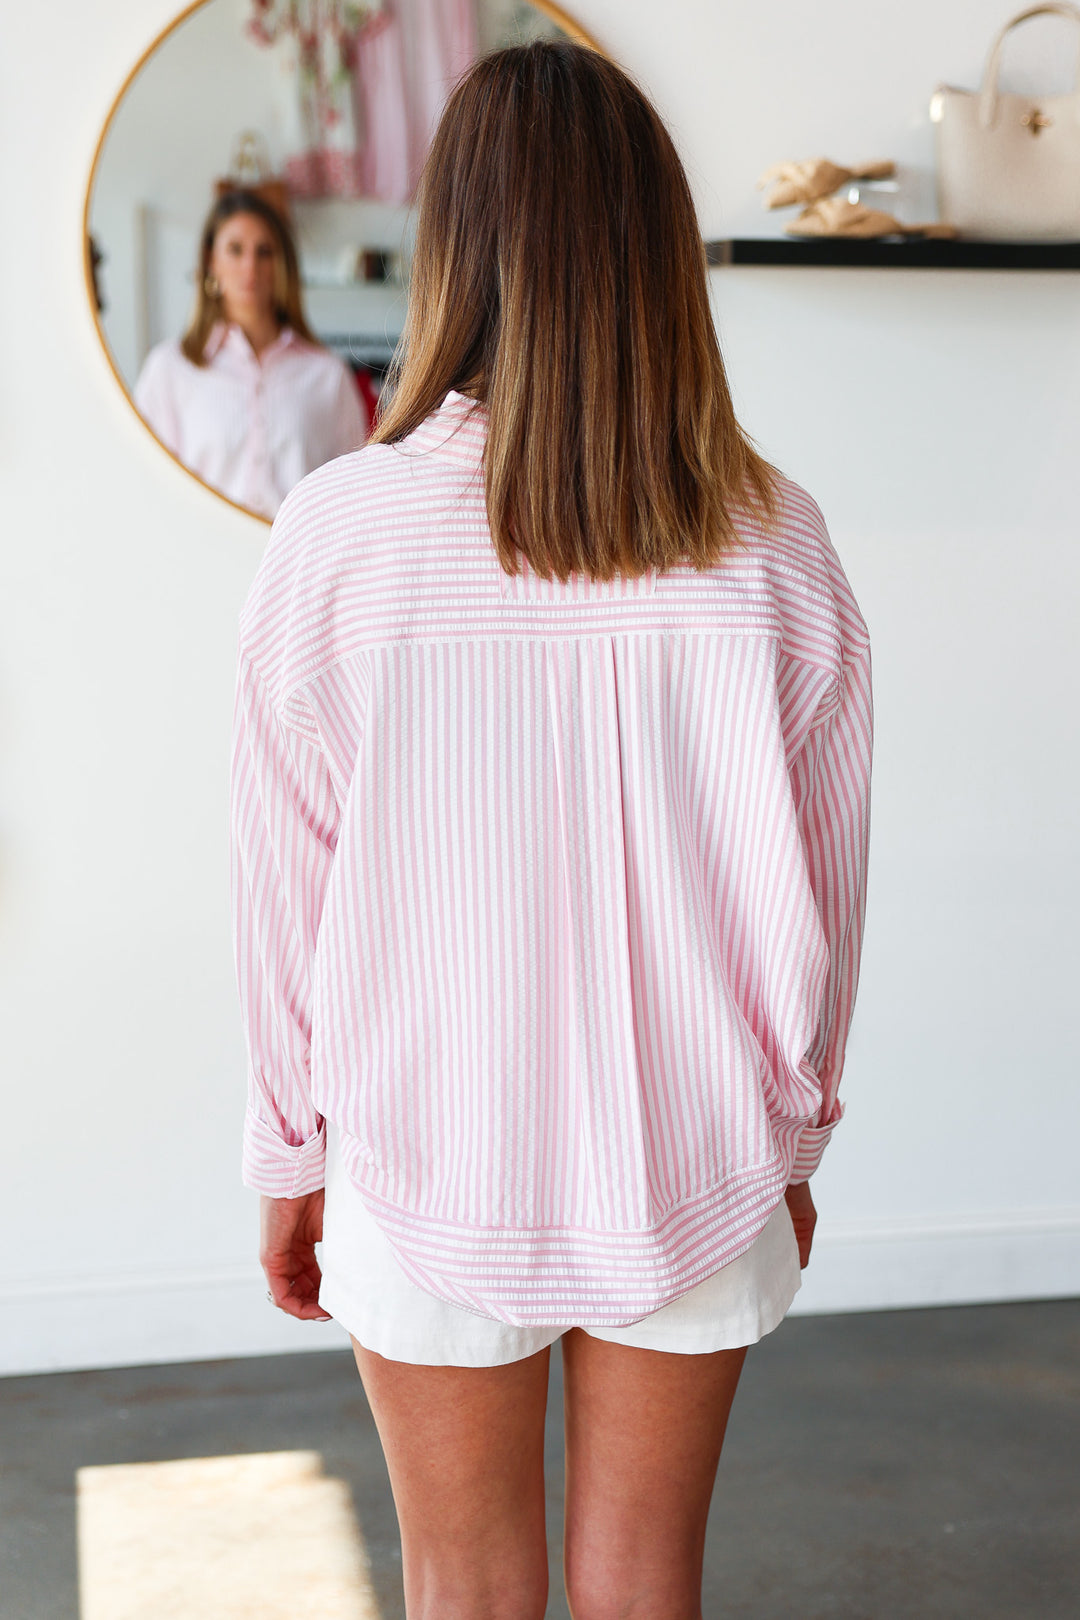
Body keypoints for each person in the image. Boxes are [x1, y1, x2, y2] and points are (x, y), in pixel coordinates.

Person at [231, 41, 872, 1620]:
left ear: (457, 249)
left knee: (464, 1591)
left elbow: (283, 889)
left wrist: (289, 1155)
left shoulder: (337, 535)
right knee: (648, 1586)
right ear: (655, 253)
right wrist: (794, 1141)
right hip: (700, 1152)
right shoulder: (776, 539)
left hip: (419, 1150)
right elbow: (824, 894)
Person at [135, 189, 368, 519]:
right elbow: (148, 486)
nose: (250, 266)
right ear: (211, 261)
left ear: (282, 264)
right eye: (235, 249)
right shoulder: (171, 369)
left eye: (264, 251)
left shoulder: (328, 375)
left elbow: (351, 495)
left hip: (296, 550)